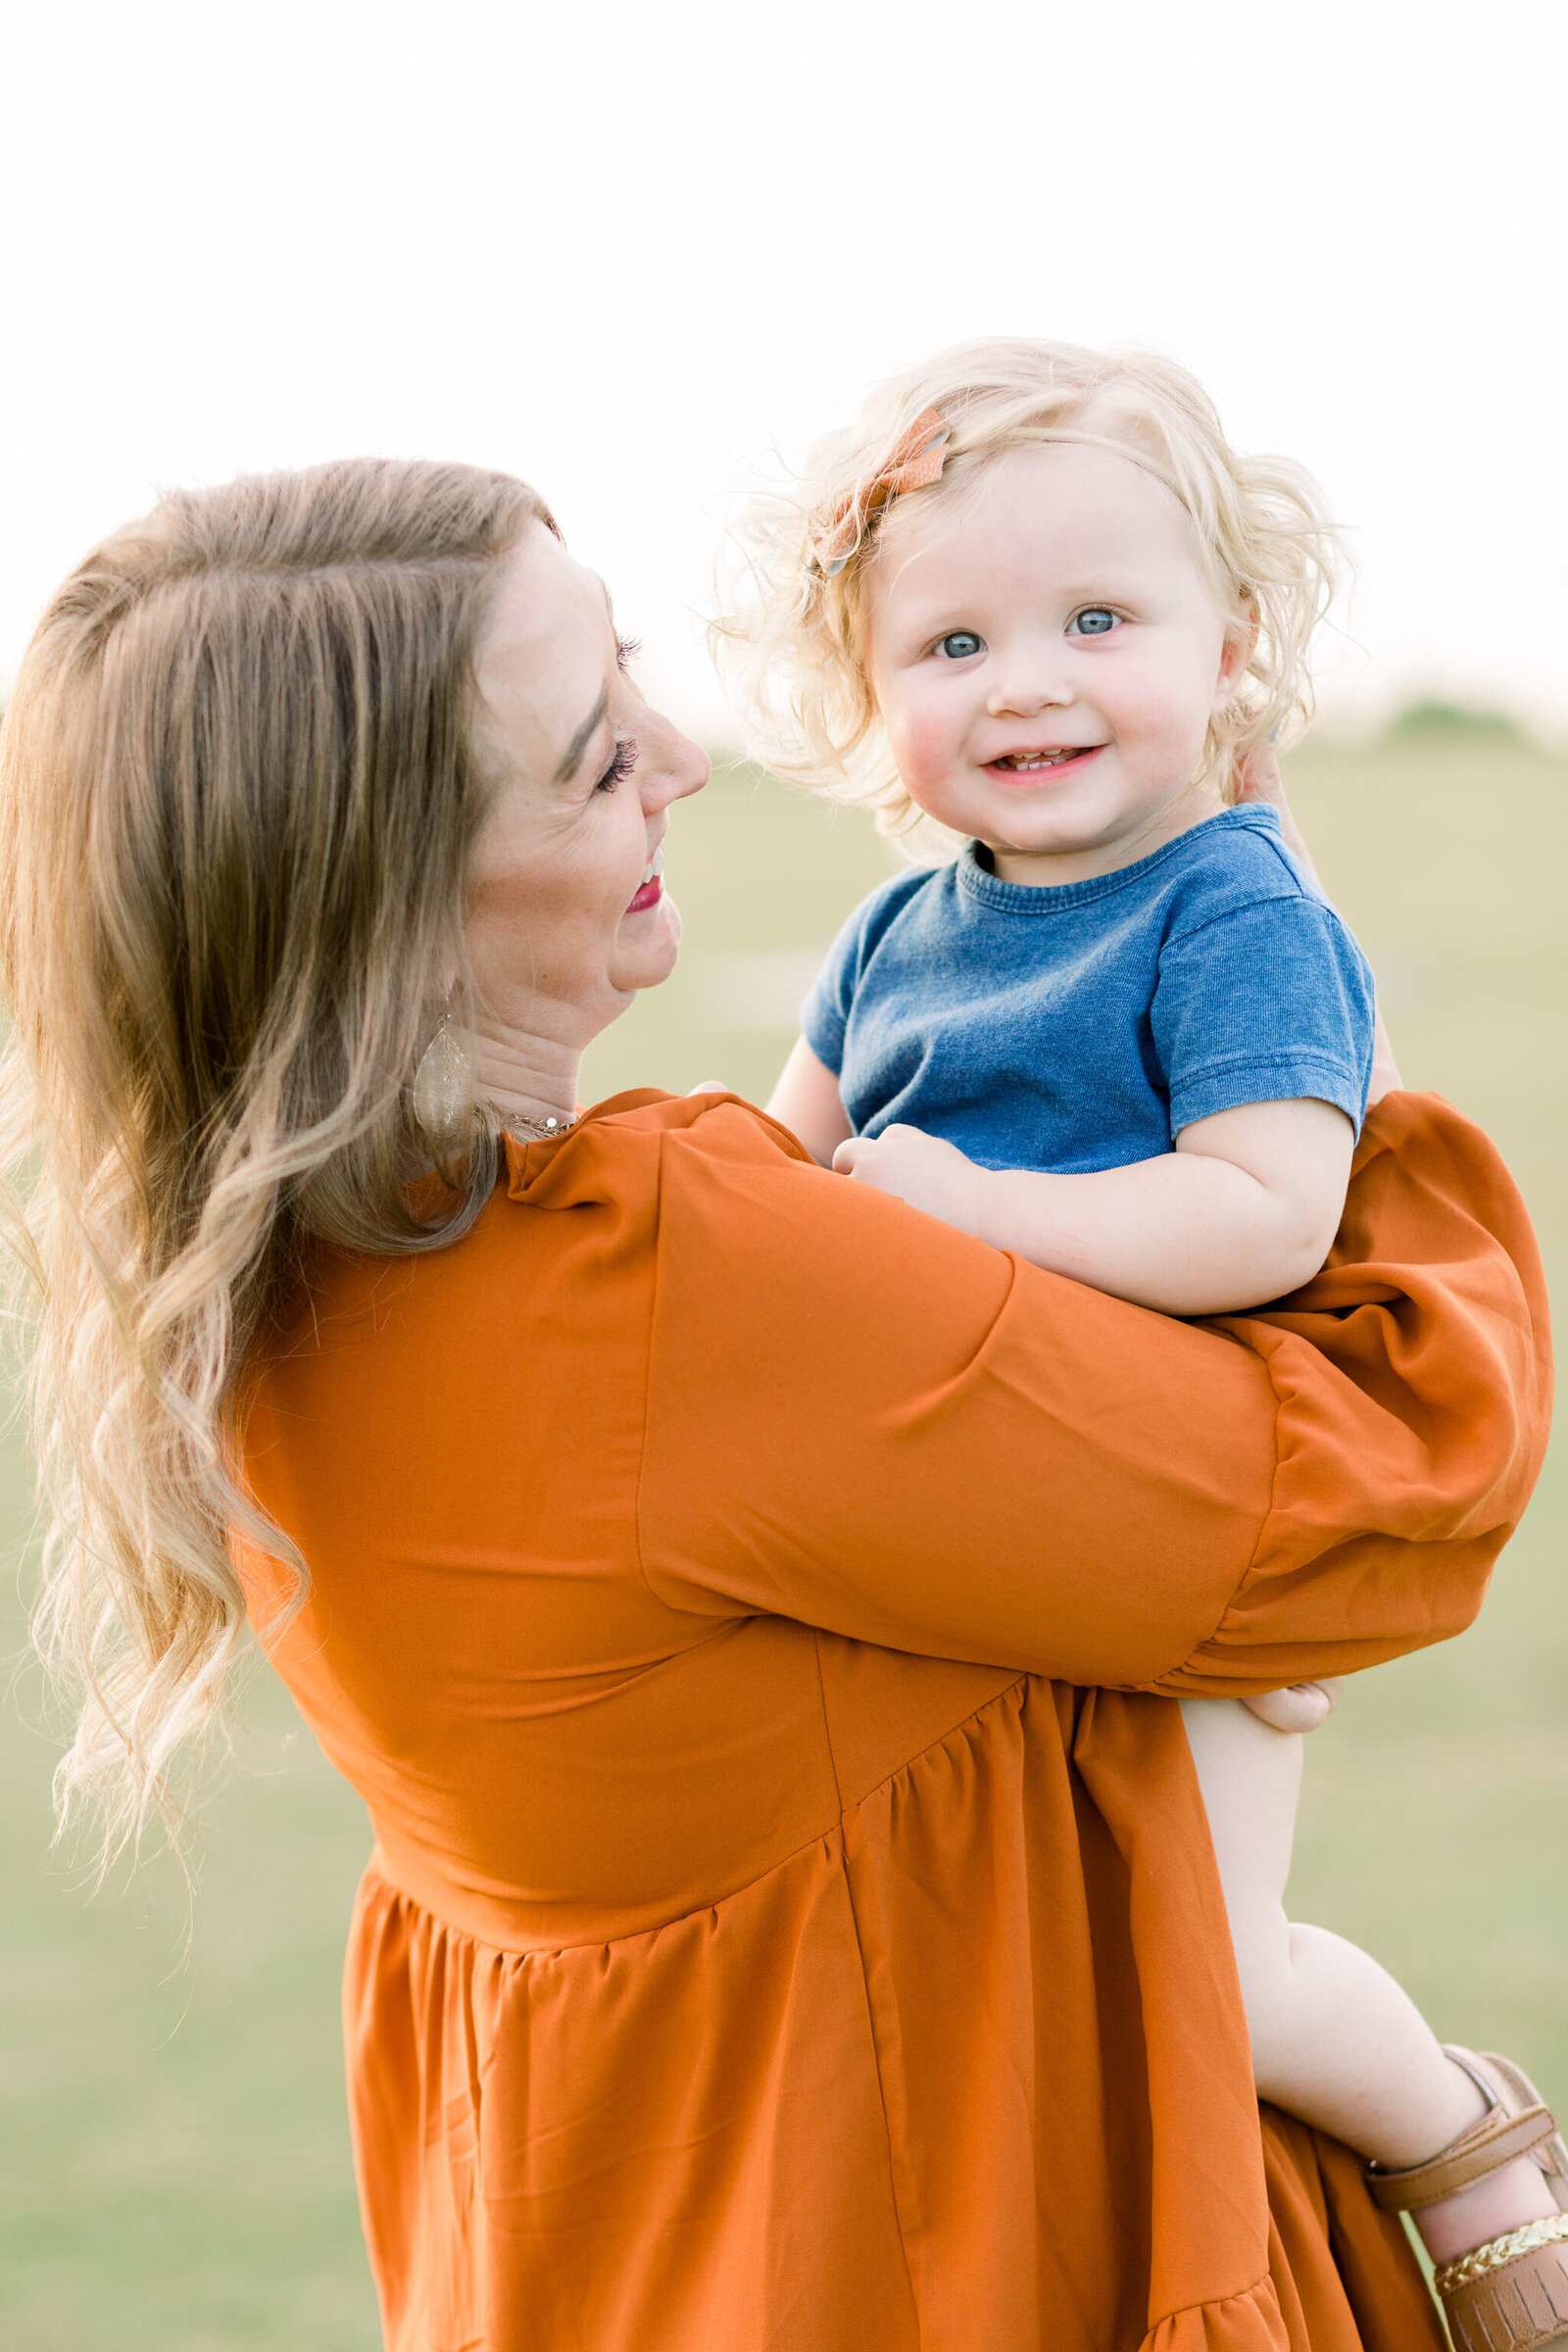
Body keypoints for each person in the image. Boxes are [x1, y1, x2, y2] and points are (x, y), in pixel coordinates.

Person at [0, 457, 1551, 2352]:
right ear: (389, 894)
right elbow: (1394, 1478)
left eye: (635, 672)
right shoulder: (671, 1282)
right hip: (948, 2256)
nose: (684, 754)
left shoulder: (260, 1307)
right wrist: (1318, 1036)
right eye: (592, 755)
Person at [720, 336, 1568, 2347]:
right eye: (946, 642)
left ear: (1230, 645)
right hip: (969, 1548)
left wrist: (970, 1222)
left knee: (1207, 1966)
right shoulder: (894, 935)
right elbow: (771, 1174)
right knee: (1006, 1962)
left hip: (1181, 1511)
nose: (1020, 681)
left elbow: (1263, 1210)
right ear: (869, 692)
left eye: (1094, 619)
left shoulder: (1231, 913)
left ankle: (1469, 2165)